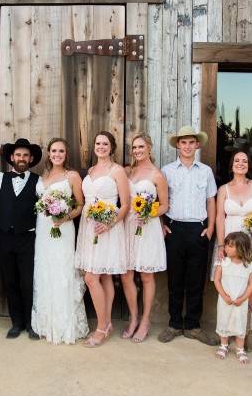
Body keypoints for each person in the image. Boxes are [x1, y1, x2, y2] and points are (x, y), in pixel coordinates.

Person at [159, 126, 218, 346]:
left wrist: (210, 228)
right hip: (174, 229)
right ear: (177, 145)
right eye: (183, 142)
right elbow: (160, 200)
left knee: (196, 280)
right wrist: (162, 224)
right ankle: (174, 324)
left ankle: (193, 325)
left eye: (191, 142)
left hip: (198, 229)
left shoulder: (205, 171)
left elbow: (211, 200)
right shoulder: (167, 171)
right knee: (175, 280)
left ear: (197, 145)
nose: (187, 146)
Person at [30, 137, 89, 344]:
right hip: (44, 230)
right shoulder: (43, 176)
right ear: (49, 153)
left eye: (61, 151)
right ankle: (46, 324)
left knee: (62, 270)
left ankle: (65, 324)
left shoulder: (71, 176)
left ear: (66, 154)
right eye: (54, 151)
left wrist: (64, 217)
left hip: (63, 228)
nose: (57, 154)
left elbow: (80, 205)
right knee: (45, 270)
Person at [75, 131, 130, 348]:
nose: (101, 146)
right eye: (98, 143)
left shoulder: (117, 171)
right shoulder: (90, 171)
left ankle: (100, 327)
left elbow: (124, 204)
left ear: (112, 147)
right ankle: (106, 324)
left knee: (91, 277)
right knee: (104, 277)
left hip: (108, 226)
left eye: (105, 143)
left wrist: (108, 223)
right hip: (89, 228)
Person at [214, 150, 252, 352]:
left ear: (249, 165)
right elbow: (220, 217)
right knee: (229, 282)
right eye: (237, 160)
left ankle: (249, 331)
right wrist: (221, 245)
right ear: (231, 165)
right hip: (230, 241)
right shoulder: (224, 190)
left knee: (251, 284)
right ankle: (227, 330)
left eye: (244, 161)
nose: (240, 163)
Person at [0, 138, 42, 340]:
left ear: (31, 158)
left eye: (25, 155)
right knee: (10, 282)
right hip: (4, 237)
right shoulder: (0, 178)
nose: (21, 158)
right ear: (11, 157)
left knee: (27, 282)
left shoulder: (38, 181)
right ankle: (16, 323)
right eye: (18, 155)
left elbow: (50, 198)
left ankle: (30, 323)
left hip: (27, 238)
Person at [121, 134, 168, 343]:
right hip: (127, 226)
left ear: (149, 148)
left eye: (141, 146)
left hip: (147, 227)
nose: (137, 150)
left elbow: (165, 205)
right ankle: (133, 318)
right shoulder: (127, 172)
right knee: (126, 275)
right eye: (134, 147)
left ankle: (146, 320)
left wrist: (149, 213)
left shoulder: (157, 175)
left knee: (146, 276)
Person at [213, 232, 252, 365]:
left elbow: (251, 285)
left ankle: (240, 349)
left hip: (240, 302)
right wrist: (224, 295)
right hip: (225, 300)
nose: (226, 248)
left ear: (241, 248)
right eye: (226, 245)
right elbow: (217, 280)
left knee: (240, 323)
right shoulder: (223, 262)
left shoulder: (248, 265)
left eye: (231, 246)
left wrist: (243, 298)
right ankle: (224, 345)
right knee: (224, 320)